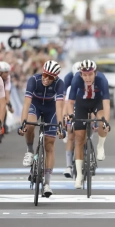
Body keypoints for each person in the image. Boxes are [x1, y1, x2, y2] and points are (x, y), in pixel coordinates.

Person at [18, 60, 65, 197]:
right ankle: (30, 150)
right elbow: (26, 104)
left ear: (55, 77)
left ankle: (47, 184)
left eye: (50, 77)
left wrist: (60, 125)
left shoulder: (59, 83)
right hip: (35, 106)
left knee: (49, 144)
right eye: (45, 74)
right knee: (30, 124)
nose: (46, 79)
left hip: (51, 109)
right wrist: (23, 124)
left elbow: (60, 106)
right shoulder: (34, 80)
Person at [67, 59, 111, 189]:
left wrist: (106, 121)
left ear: (95, 73)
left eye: (90, 74)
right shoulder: (76, 80)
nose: (87, 78)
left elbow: (107, 102)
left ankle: (100, 146)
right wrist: (71, 116)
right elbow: (70, 102)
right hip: (81, 104)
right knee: (79, 138)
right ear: (81, 74)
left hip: (97, 102)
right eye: (84, 75)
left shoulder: (102, 80)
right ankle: (79, 175)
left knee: (102, 121)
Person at [63, 61, 81, 178]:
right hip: (73, 107)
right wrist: (65, 118)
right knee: (71, 134)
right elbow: (66, 104)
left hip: (86, 108)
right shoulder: (69, 84)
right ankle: (69, 166)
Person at [0, 61, 14, 134]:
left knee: (3, 107)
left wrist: (9, 105)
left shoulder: (7, 78)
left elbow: (7, 93)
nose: (7, 74)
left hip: (2, 92)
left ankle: (3, 124)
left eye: (7, 72)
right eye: (5, 72)